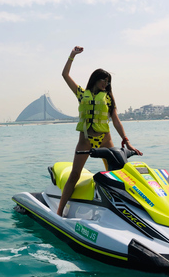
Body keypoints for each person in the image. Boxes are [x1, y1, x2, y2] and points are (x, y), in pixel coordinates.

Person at [57, 46, 143, 217]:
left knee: (118, 175)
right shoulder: (82, 93)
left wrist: (126, 140)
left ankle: (128, 210)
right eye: (103, 80)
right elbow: (65, 75)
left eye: (108, 81)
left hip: (105, 139)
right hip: (86, 139)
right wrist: (72, 55)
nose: (106, 83)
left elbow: (116, 120)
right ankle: (59, 212)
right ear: (95, 80)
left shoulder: (109, 97)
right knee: (74, 174)